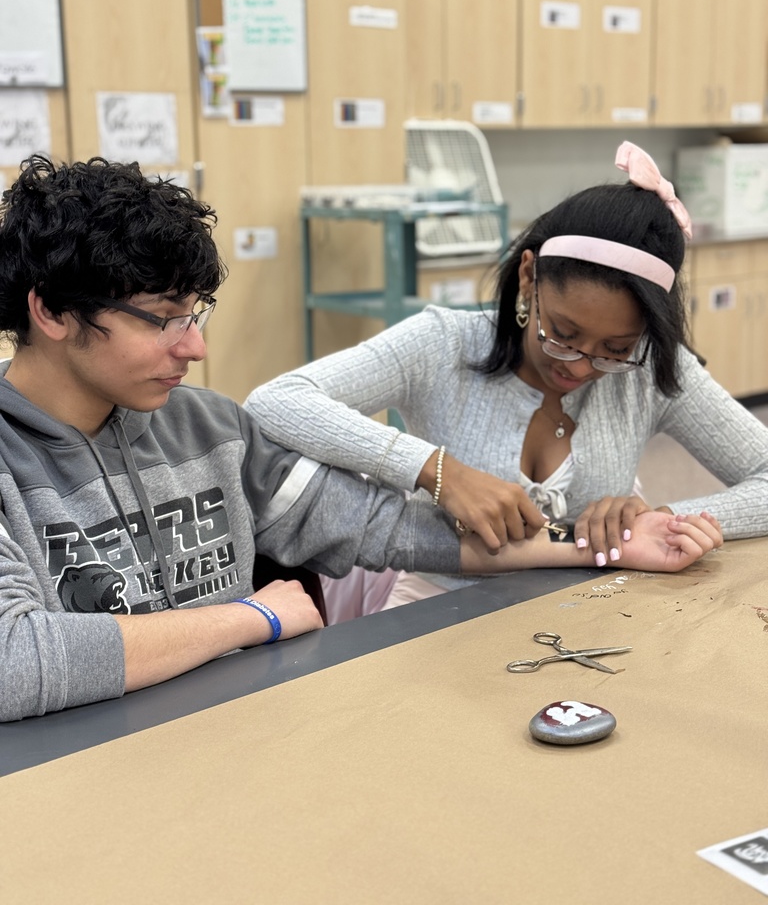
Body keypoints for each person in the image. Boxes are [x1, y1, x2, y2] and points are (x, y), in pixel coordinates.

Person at [0, 154, 721, 721]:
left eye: (198, 316)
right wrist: (251, 617)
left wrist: (613, 546)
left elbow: (384, 529)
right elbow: (15, 663)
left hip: (231, 735)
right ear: (54, 313)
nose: (195, 350)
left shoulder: (204, 428)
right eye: (164, 320)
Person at [245, 141, 764, 615]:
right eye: (562, 333)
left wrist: (666, 517)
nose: (580, 366)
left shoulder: (651, 369)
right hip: (439, 602)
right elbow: (275, 401)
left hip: (590, 600)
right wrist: (436, 469)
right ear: (528, 278)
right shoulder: (444, 344)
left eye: (614, 351)